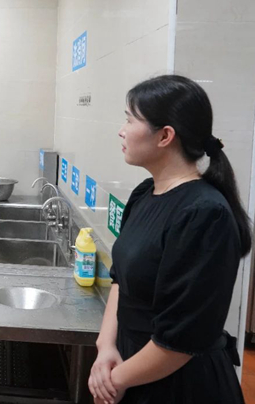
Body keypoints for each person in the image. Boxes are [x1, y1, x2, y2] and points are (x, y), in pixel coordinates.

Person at [88, 75, 249, 404]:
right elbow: (121, 279)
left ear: (165, 136)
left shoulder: (205, 215)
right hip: (131, 365)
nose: (121, 130)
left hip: (179, 384)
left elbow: (182, 339)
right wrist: (105, 347)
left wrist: (114, 381)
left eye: (130, 120)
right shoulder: (144, 193)